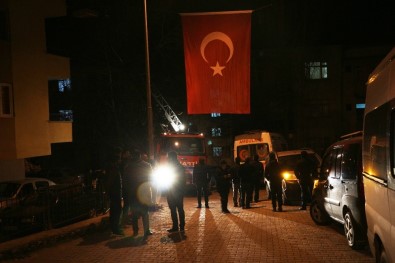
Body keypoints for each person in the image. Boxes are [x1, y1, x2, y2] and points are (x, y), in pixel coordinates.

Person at [123, 149, 153, 239]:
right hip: (144, 192)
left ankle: (135, 231)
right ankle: (146, 230)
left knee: (134, 213)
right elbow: (150, 180)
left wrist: (127, 191)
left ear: (132, 156)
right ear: (140, 155)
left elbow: (125, 181)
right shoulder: (147, 165)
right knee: (145, 212)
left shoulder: (128, 167)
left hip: (133, 192)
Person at [104, 147, 123, 236]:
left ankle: (114, 228)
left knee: (115, 210)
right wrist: (108, 192)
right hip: (115, 193)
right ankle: (115, 229)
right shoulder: (114, 168)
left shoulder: (113, 168)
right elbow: (110, 181)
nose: (120, 159)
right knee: (116, 210)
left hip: (115, 192)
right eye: (119, 158)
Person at [166, 151, 186, 232]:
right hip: (177, 191)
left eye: (168, 157)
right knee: (179, 209)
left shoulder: (169, 167)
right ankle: (181, 226)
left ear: (171, 157)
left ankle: (176, 227)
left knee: (174, 209)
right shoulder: (180, 166)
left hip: (172, 191)